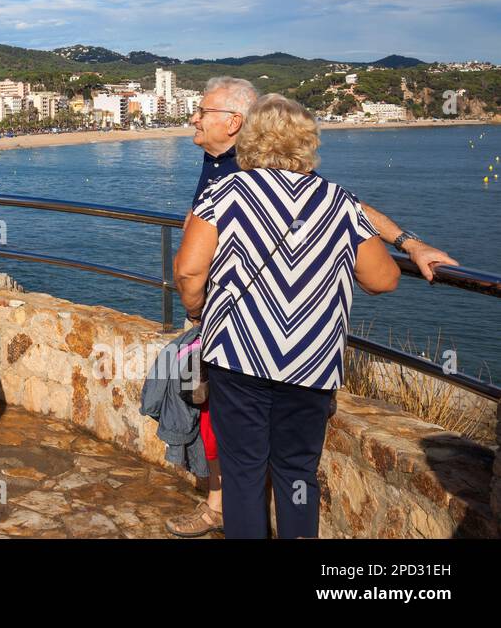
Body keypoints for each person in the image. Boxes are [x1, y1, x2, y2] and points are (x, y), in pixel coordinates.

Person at [163, 77, 456, 537]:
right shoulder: (337, 201)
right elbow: (383, 280)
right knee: (297, 475)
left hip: (237, 359)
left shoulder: (224, 195)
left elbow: (189, 272)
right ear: (309, 144)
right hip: (311, 366)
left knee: (242, 475)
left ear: (250, 138)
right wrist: (406, 245)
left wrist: (198, 311)